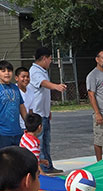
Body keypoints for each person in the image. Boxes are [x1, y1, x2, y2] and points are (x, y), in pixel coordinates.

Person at [28, 47, 67, 175]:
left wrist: (48, 110)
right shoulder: (34, 71)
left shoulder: (42, 70)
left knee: (46, 141)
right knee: (39, 142)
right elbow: (43, 83)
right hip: (37, 113)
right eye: (50, 59)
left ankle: (48, 165)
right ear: (44, 58)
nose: (51, 61)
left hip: (44, 112)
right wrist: (56, 86)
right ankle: (42, 168)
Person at [0, 59, 27, 154]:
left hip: (17, 131)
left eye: (9, 71)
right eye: (3, 71)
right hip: (2, 133)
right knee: (3, 160)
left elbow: (21, 107)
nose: (7, 73)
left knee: (18, 159)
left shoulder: (15, 88)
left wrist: (28, 123)